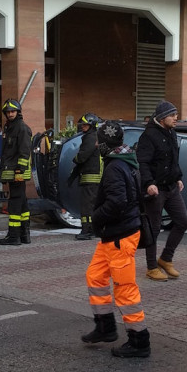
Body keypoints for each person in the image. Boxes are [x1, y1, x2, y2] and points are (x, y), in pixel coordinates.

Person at [82, 120, 150, 358]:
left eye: (100, 140)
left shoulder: (114, 167)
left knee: (125, 288)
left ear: (105, 143)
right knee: (95, 275)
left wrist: (95, 218)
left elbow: (117, 202)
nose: (97, 144)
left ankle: (139, 340)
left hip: (120, 235)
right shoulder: (124, 161)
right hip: (114, 235)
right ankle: (105, 327)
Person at [136, 100, 187, 281]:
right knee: (154, 228)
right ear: (161, 117)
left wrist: (178, 177)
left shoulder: (171, 133)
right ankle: (151, 267)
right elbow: (142, 163)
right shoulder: (148, 136)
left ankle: (166, 259)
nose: (176, 118)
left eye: (176, 114)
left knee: (183, 221)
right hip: (156, 189)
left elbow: (174, 159)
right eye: (173, 115)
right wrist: (149, 183)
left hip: (171, 186)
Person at [0, 99, 33, 246]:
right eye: (8, 112)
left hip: (18, 172)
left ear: (18, 112)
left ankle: (13, 236)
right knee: (22, 203)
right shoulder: (9, 127)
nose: (10, 114)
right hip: (12, 172)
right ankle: (24, 235)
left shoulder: (22, 128)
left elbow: (24, 152)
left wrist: (19, 171)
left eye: (13, 111)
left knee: (15, 204)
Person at [72, 112, 102, 240]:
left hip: (90, 175)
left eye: (85, 125)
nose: (83, 127)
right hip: (93, 175)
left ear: (92, 125)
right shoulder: (94, 136)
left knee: (87, 205)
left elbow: (83, 155)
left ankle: (87, 230)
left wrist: (76, 159)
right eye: (82, 125)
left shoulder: (90, 138)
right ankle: (94, 229)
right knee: (93, 204)